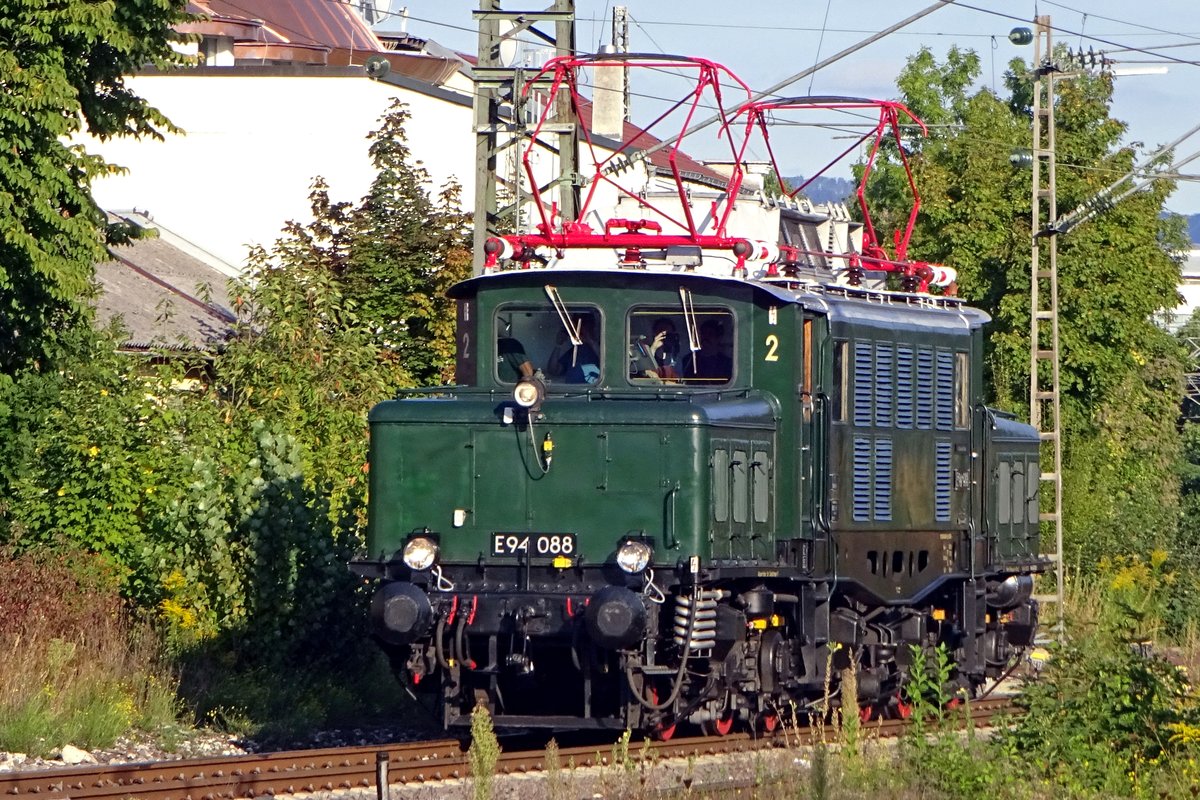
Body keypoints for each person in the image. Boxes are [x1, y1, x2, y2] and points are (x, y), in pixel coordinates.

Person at [685, 319, 732, 385]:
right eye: (703, 333)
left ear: (719, 338)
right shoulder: (688, 360)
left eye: (710, 334)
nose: (706, 337)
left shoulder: (727, 363)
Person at [556, 315, 601, 384]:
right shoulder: (574, 352)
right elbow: (555, 369)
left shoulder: (602, 349)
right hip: (573, 392)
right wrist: (558, 345)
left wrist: (591, 341)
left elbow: (609, 365)